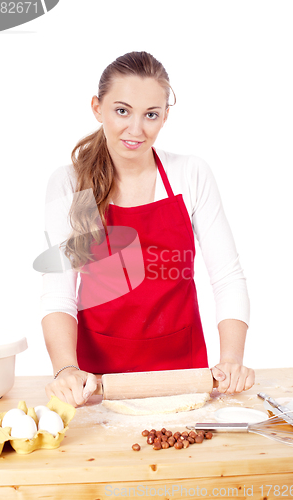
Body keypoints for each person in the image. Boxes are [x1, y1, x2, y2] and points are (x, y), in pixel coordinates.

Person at [41, 51, 254, 407]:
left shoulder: (189, 174)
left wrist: (231, 359)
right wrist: (65, 370)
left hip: (183, 375)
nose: (136, 130)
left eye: (151, 115)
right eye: (121, 111)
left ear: (165, 116)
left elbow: (227, 276)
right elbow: (59, 292)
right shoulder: (74, 184)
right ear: (97, 108)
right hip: (96, 382)